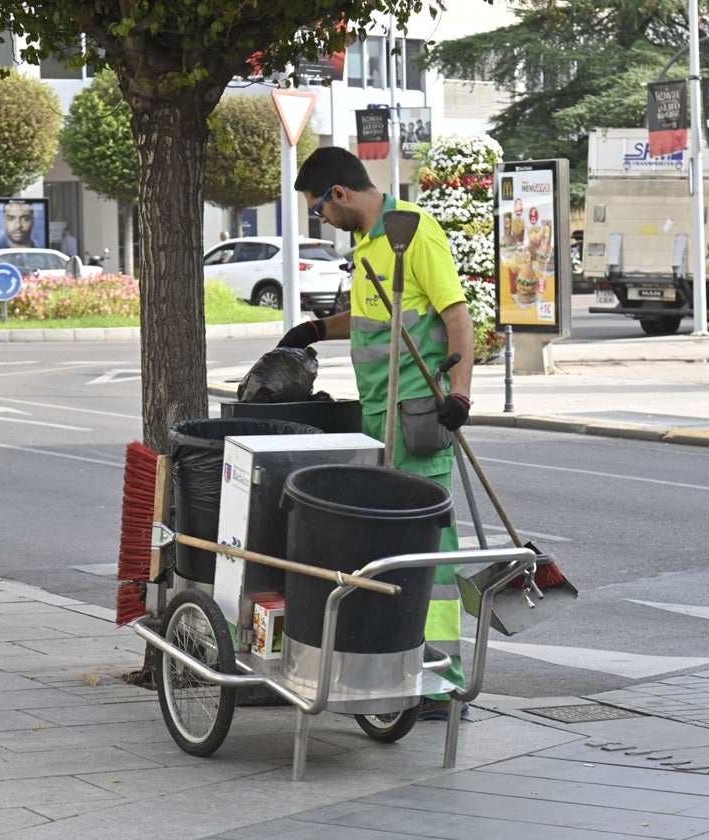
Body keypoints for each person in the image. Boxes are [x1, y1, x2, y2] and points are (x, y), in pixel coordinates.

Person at [278, 146, 475, 722]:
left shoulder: (413, 235)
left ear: (338, 194)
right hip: (378, 420)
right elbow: (373, 323)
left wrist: (461, 394)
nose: (321, 220)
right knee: (391, 555)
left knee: (430, 559)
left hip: (418, 421)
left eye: (318, 209)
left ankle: (442, 684)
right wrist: (315, 328)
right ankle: (397, 669)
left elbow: (456, 316)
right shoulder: (370, 247)